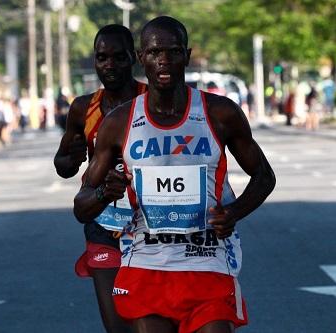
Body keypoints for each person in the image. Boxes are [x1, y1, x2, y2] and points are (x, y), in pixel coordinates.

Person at [74, 16, 276, 333]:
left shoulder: (220, 113)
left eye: (173, 51)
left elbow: (264, 176)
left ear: (187, 54)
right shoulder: (119, 122)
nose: (164, 61)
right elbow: (81, 205)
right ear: (142, 58)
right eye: (154, 53)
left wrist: (234, 212)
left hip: (206, 260)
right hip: (146, 264)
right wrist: (104, 194)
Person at [54, 24, 146, 333]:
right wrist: (72, 154)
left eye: (118, 57)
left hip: (152, 224)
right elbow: (64, 164)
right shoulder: (83, 108)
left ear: (133, 58)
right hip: (103, 223)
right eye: (102, 57)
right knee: (118, 326)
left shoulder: (151, 99)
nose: (109, 65)